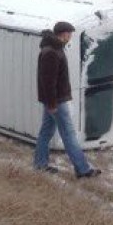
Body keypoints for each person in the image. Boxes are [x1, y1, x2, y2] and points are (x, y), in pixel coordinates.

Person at [34, 21, 101, 178]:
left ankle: (40, 164)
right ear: (63, 34)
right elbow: (48, 81)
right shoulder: (51, 52)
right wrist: (51, 103)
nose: (71, 37)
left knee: (46, 132)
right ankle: (82, 169)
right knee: (68, 134)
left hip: (53, 99)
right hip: (56, 100)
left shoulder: (53, 48)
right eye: (69, 33)